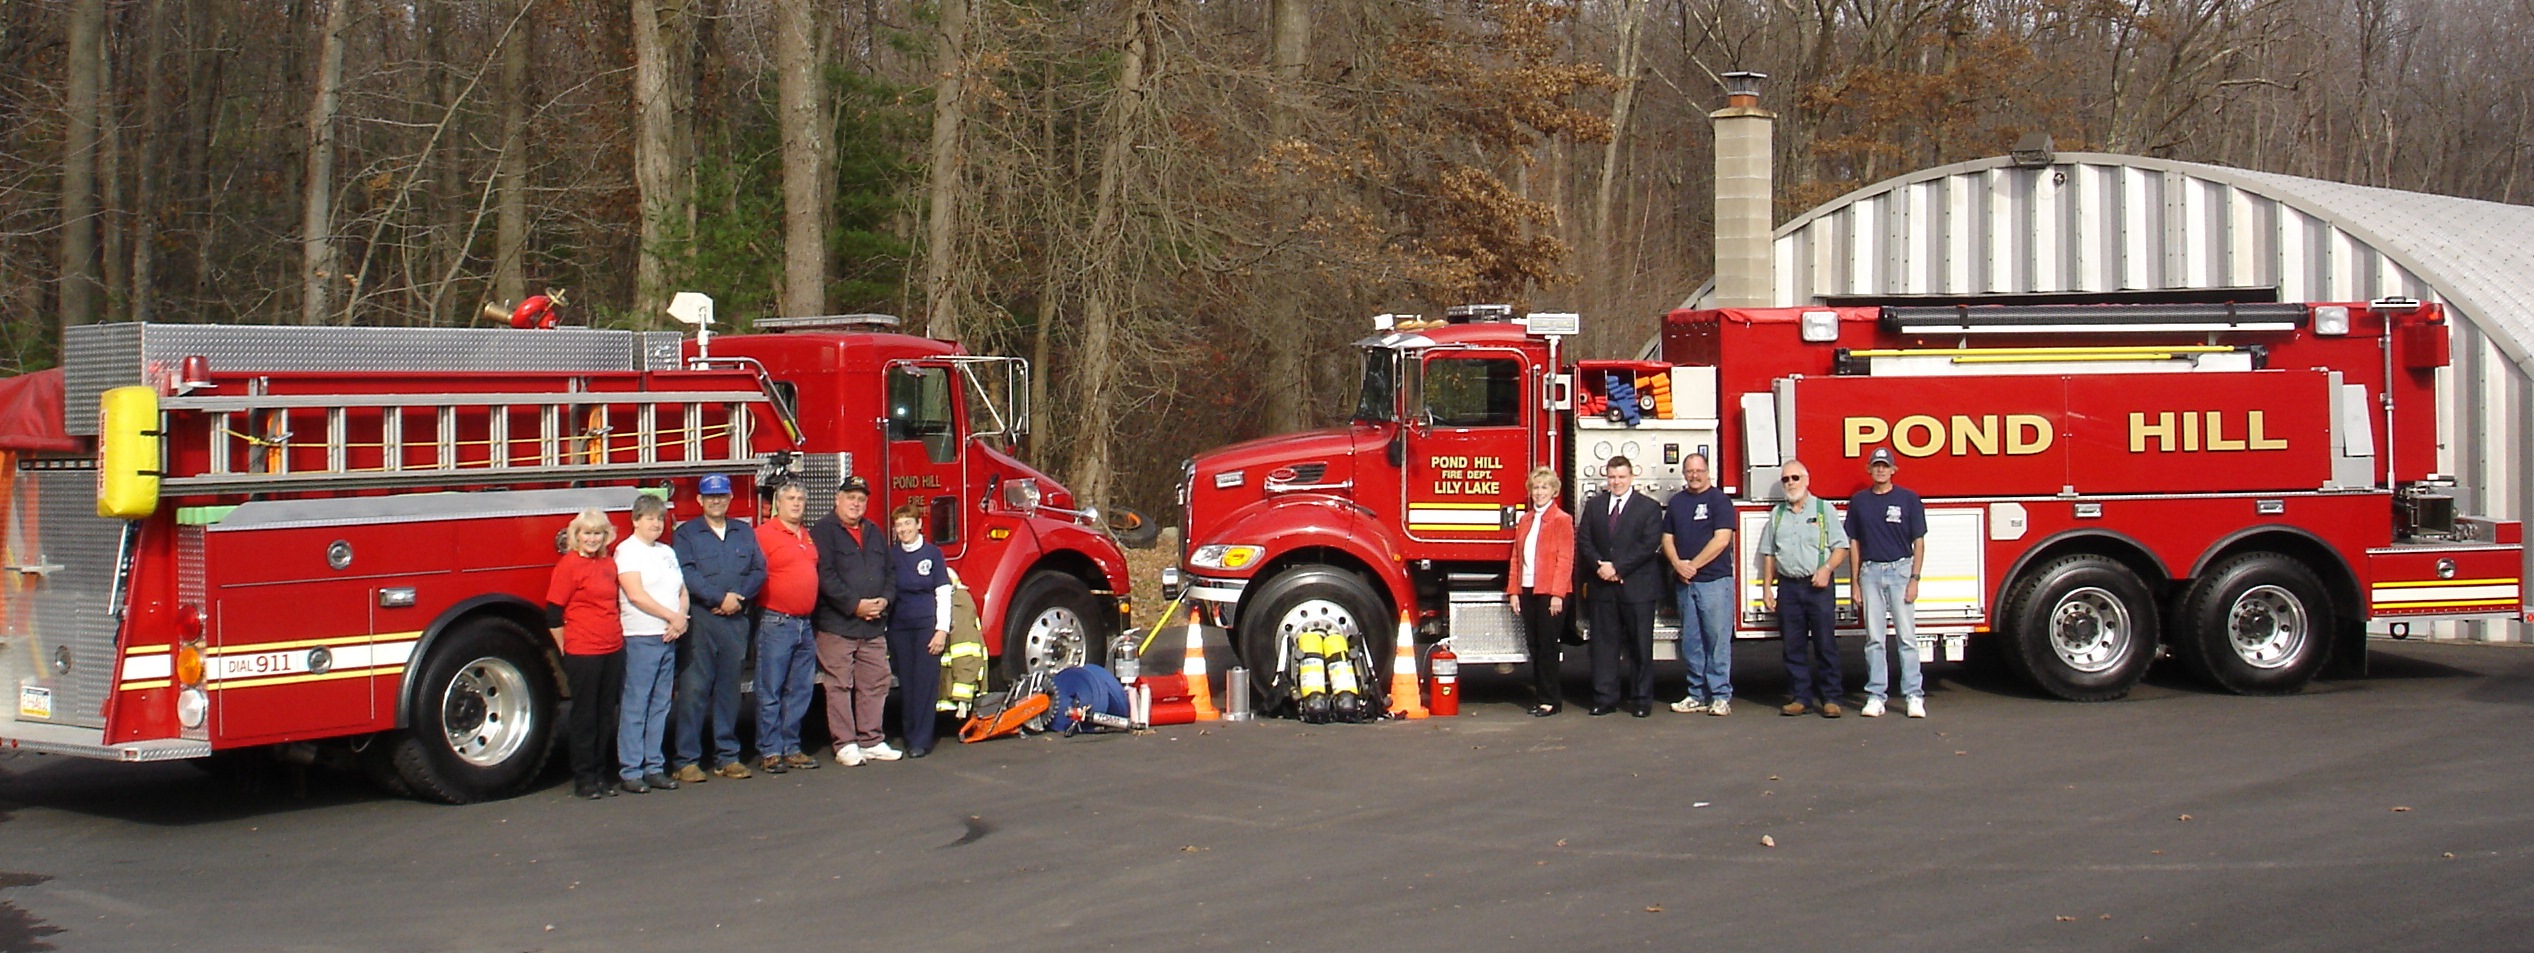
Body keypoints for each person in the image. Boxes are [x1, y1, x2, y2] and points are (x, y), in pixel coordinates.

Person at [669, 472, 765, 783]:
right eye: (710, 497)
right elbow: (686, 573)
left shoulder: (743, 532)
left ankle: (727, 756)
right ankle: (687, 759)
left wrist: (738, 598)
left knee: (729, 692)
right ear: (699, 500)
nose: (716, 501)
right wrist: (717, 598)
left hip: (736, 619)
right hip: (702, 620)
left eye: (721, 496)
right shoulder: (687, 534)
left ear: (729, 498)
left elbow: (758, 570)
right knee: (694, 691)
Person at [813, 476, 899, 765]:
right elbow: (825, 577)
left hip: (873, 625)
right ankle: (845, 744)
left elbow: (889, 572)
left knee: (875, 682)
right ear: (838, 499)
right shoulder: (823, 531)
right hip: (838, 624)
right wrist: (855, 605)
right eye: (850, 497)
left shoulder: (873, 531)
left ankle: (872, 739)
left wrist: (884, 601)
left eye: (861, 499)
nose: (856, 503)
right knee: (839, 684)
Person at [1574, 456, 1666, 718]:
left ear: (1631, 477)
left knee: (1640, 646)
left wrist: (1618, 568)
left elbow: (1648, 545)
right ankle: (1605, 698)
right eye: (1612, 477)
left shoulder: (1648, 507)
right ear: (1607, 478)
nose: (1617, 482)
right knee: (1604, 646)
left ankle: (1640, 700)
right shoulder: (1594, 506)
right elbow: (1585, 540)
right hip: (1602, 587)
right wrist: (1600, 566)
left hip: (1637, 588)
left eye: (1621, 477)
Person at [1759, 460, 1851, 718]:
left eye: (1795, 478)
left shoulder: (1823, 510)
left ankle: (1831, 698)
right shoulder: (1777, 515)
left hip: (1817, 586)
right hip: (1788, 587)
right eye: (1786, 479)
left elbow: (1841, 547)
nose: (1790, 483)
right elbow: (1769, 553)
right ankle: (1801, 697)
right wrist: (1767, 588)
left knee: (1825, 643)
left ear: (1806, 480)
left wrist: (1827, 569)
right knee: (1793, 645)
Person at [545, 508, 625, 800]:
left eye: (598, 533)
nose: (592, 539)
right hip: (583, 651)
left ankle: (601, 774)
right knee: (584, 716)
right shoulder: (569, 565)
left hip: (612, 647)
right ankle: (584, 778)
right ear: (576, 536)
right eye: (587, 533)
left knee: (605, 715)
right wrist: (567, 649)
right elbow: (553, 614)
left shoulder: (607, 563)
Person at [1847, 447, 1929, 719]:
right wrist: (1855, 582)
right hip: (1870, 572)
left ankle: (1913, 695)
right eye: (1876, 465)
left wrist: (1914, 578)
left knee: (1906, 637)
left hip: (1900, 570)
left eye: (1885, 466)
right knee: (1874, 638)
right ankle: (1876, 696)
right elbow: (1854, 543)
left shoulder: (1908, 499)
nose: (1881, 470)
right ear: (1869, 470)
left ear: (1894, 470)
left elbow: (1918, 543)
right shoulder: (1859, 502)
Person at [614, 493, 687, 794]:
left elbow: (682, 590)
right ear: (635, 521)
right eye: (649, 518)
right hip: (641, 636)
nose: (655, 523)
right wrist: (672, 616)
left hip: (669, 635)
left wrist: (680, 618)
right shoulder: (627, 551)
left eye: (659, 518)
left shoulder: (667, 552)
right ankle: (631, 770)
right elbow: (635, 594)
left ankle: (654, 766)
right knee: (636, 705)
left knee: (660, 705)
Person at [752, 480, 823, 775]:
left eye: (800, 499)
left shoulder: (806, 535)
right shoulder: (763, 535)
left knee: (800, 690)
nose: (796, 503)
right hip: (776, 621)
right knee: (771, 689)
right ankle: (770, 750)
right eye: (790, 498)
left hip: (804, 624)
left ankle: (791, 747)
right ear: (777, 503)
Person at [1663, 452, 1737, 716]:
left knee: (1717, 640)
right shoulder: (1677, 502)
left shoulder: (1719, 501)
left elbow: (1722, 540)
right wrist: (1677, 564)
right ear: (1684, 474)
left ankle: (1720, 695)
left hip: (1714, 582)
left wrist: (1692, 565)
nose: (1694, 476)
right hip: (1686, 583)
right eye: (1689, 471)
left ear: (1708, 472)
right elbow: (1667, 538)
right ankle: (1696, 693)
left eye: (1699, 471)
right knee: (1692, 641)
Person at [1504, 467, 1575, 716]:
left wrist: (1557, 595)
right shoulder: (1525, 520)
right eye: (1536, 487)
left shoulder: (1561, 520)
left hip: (1550, 592)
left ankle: (1551, 700)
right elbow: (1516, 557)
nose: (1539, 492)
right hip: (1527, 588)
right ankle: (1542, 696)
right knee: (1534, 646)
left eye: (1545, 487)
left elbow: (1565, 559)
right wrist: (1513, 591)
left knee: (1548, 647)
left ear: (1554, 491)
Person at [885, 503, 954, 757]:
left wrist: (941, 630)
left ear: (918, 525)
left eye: (907, 523)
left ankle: (921, 741)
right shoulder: (892, 555)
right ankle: (909, 735)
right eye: (899, 525)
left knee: (925, 684)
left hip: (927, 627)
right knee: (908, 684)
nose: (903, 529)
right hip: (899, 629)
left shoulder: (933, 554)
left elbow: (943, 592)